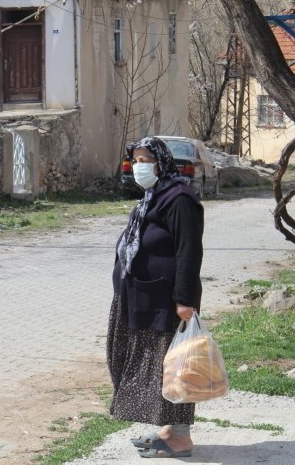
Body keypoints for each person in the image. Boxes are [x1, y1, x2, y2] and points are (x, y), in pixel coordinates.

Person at [106, 136, 204, 459]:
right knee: (156, 368)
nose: (138, 166)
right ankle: (168, 428)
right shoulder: (152, 197)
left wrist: (185, 300)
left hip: (167, 302)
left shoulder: (179, 199)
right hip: (142, 298)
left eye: (145, 159)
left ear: (161, 162)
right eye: (134, 160)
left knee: (175, 368)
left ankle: (181, 437)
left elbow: (188, 252)